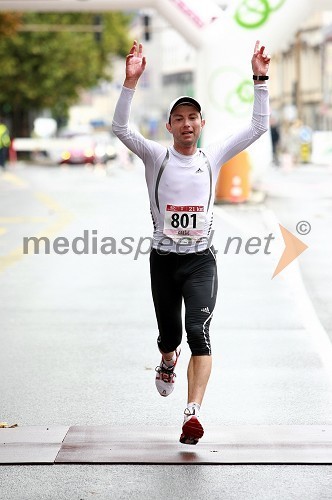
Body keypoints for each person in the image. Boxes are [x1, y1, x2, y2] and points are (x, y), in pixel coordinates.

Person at [112, 40, 270, 445]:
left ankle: (192, 412)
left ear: (202, 125)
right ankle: (167, 361)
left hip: (201, 261)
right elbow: (120, 129)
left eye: (193, 118)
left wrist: (260, 79)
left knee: (198, 330)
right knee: (171, 337)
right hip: (164, 261)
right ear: (169, 127)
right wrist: (130, 82)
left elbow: (257, 128)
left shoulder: (212, 156)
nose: (186, 124)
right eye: (178, 118)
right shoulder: (155, 157)